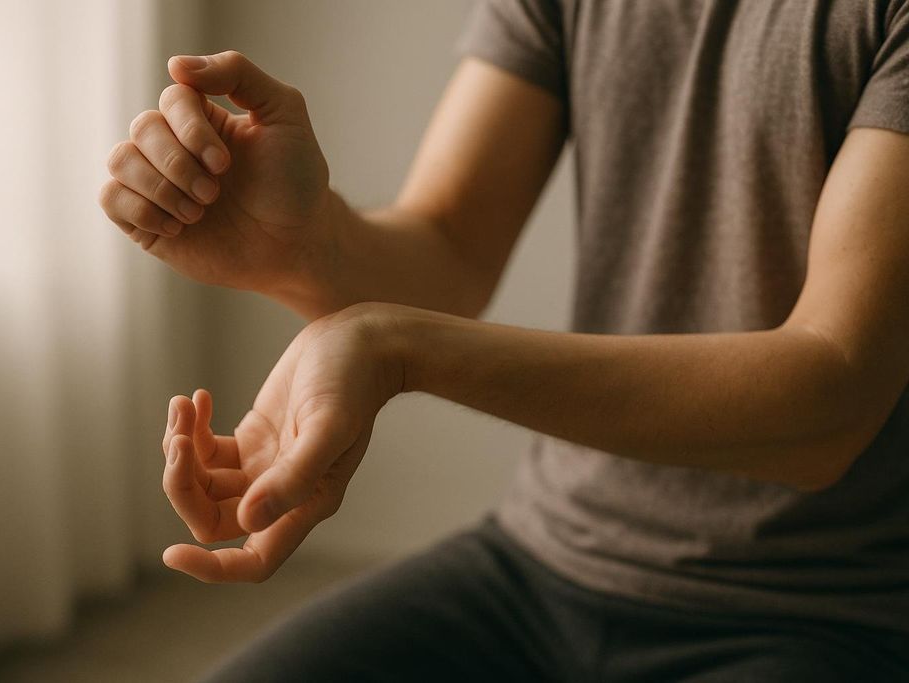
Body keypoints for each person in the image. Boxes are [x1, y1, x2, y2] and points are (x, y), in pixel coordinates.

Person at [99, 0, 909, 679]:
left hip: (823, 610)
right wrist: (298, 244)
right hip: (536, 559)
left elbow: (831, 398)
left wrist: (397, 347)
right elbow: (449, 247)